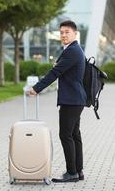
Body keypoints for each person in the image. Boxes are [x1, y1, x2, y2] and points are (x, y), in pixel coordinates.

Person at [27, 20, 87, 182]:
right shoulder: (73, 50)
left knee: (66, 135)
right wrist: (58, 66)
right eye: (61, 32)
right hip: (76, 99)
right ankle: (78, 172)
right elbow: (61, 69)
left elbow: (55, 73)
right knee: (74, 135)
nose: (63, 35)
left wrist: (36, 88)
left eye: (67, 32)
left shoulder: (72, 51)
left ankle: (72, 172)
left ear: (75, 34)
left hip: (72, 100)